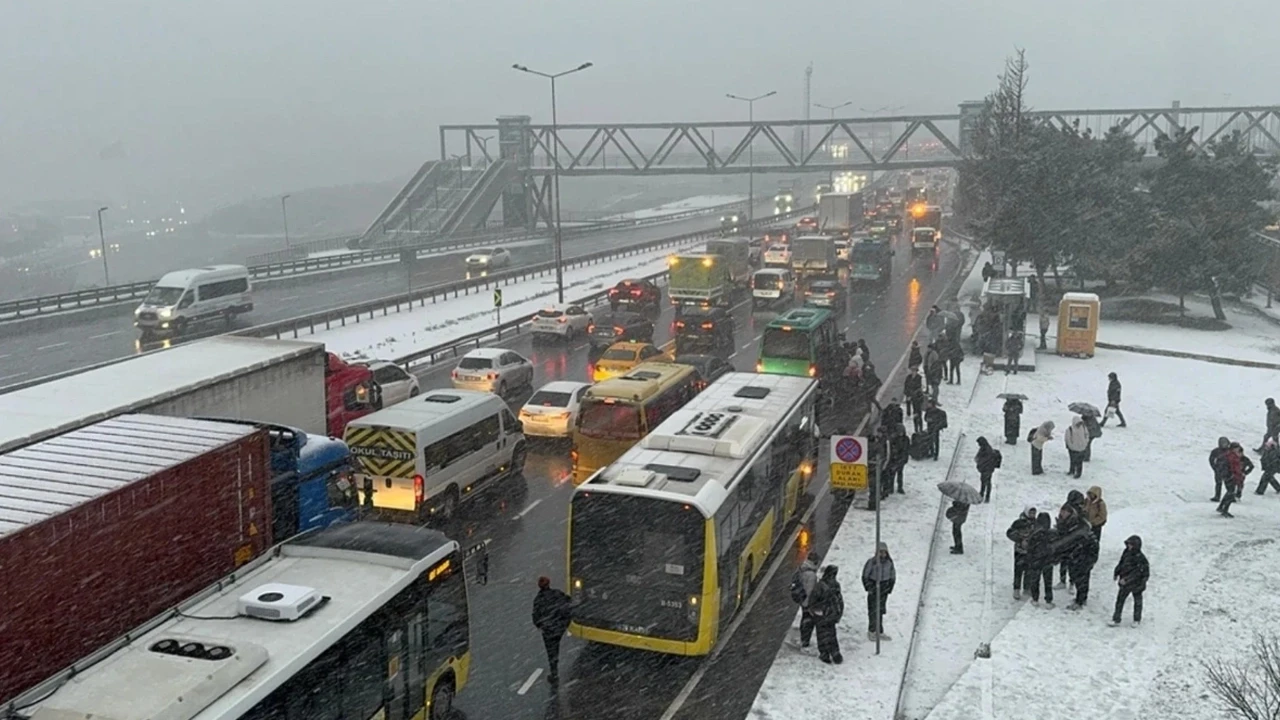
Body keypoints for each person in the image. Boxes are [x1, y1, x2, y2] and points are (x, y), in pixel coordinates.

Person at [531, 577, 573, 685]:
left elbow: (536, 616)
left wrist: (541, 626)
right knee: (555, 647)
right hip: (559, 628)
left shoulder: (538, 600)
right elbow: (568, 601)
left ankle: (554, 672)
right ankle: (554, 668)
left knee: (551, 651)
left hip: (548, 630)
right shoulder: (558, 594)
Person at [1111, 535, 1150, 627]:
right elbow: (1121, 563)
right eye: (1128, 544)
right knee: (1120, 601)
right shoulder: (1126, 553)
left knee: (1137, 601)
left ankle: (1137, 619)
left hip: (1137, 584)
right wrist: (1116, 572)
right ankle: (1116, 619)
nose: (1129, 547)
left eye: (1131, 545)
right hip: (1125, 582)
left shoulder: (1140, 558)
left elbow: (1139, 573)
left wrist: (1127, 579)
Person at [809, 565, 845, 664]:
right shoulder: (836, 585)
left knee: (821, 635)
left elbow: (813, 599)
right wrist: (838, 613)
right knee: (832, 634)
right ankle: (836, 654)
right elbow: (840, 601)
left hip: (822, 614)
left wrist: (813, 609)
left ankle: (824, 654)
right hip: (832, 614)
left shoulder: (820, 585)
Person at [861, 543, 895, 641]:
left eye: (884, 552)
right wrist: (869, 587)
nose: (882, 554)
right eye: (881, 552)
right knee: (873, 610)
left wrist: (889, 587)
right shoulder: (872, 562)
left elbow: (892, 575)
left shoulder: (889, 563)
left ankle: (879, 631)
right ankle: (871, 630)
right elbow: (865, 575)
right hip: (874, 587)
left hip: (883, 588)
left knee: (880, 610)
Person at [1024, 512, 1057, 606]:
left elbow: (1030, 548)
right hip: (1048, 561)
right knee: (1048, 581)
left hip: (1036, 560)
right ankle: (1048, 600)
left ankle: (1035, 599)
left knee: (1035, 580)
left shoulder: (1034, 534)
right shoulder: (1052, 534)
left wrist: (1030, 559)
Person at [1005, 507, 1037, 599]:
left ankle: (1027, 587)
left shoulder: (1035, 523)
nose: (1032, 515)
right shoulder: (1018, 523)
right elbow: (1010, 533)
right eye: (1030, 513)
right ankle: (1016, 588)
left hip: (1030, 551)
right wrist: (1020, 539)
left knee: (1029, 570)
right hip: (1019, 551)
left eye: (1034, 513)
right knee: (1018, 570)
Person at [791, 551, 821, 648]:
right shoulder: (811, 575)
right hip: (807, 602)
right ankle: (805, 641)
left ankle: (803, 639)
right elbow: (810, 591)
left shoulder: (802, 568)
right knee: (808, 622)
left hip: (801, 598)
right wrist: (808, 605)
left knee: (805, 620)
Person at [1217, 442, 1254, 518]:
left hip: (1231, 477)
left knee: (1229, 492)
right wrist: (1233, 475)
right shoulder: (1232, 456)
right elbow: (1233, 467)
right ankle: (1225, 510)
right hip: (1232, 477)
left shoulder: (1229, 455)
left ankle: (1221, 507)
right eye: (1237, 448)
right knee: (1231, 493)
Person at [974, 436, 1003, 503]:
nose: (978, 445)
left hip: (986, 469)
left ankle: (984, 495)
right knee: (985, 481)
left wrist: (979, 462)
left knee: (985, 482)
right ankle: (985, 495)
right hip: (987, 468)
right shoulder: (986, 448)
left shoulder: (986, 450)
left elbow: (983, 459)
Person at [888, 422, 910, 494]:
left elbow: (907, 449)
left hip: (902, 458)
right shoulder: (893, 439)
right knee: (892, 474)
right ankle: (891, 488)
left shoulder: (906, 439)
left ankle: (900, 487)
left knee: (900, 473)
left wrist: (904, 458)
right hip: (894, 459)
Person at [1210, 436, 1231, 502]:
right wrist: (1214, 467)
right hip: (1219, 470)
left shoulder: (1230, 450)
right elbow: (1211, 459)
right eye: (1222, 443)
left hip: (1228, 470)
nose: (1224, 445)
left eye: (1225, 443)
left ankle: (1231, 496)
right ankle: (1217, 496)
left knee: (1229, 484)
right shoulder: (1216, 451)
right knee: (1218, 483)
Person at [903, 368, 925, 433]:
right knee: (914, 413)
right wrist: (907, 393)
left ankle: (920, 428)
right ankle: (916, 428)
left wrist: (912, 395)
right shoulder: (908, 377)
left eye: (914, 371)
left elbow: (918, 387)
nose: (913, 372)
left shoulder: (919, 378)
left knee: (918, 413)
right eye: (912, 371)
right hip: (911, 395)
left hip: (917, 398)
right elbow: (906, 385)